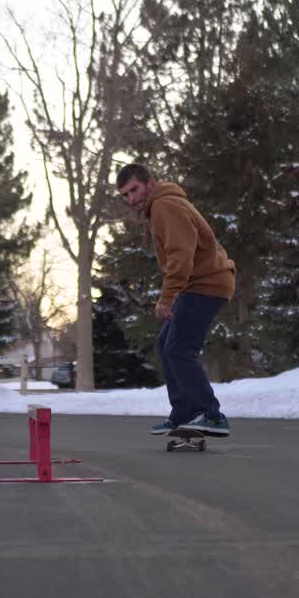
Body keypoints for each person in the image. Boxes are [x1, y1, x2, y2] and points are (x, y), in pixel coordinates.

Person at [116, 163, 235, 436]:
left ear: (150, 183)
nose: (131, 199)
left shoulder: (164, 205)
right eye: (125, 195)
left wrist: (167, 298)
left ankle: (211, 415)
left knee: (180, 349)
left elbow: (180, 255)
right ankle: (184, 412)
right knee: (166, 344)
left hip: (206, 283)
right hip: (199, 283)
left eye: (134, 189)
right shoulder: (162, 205)